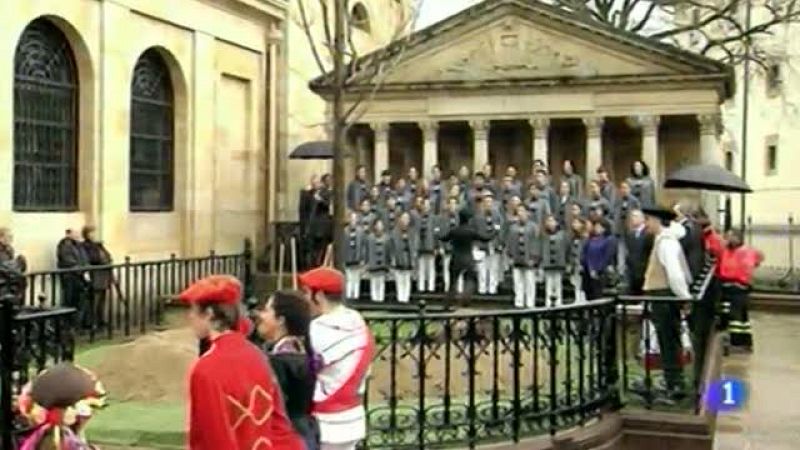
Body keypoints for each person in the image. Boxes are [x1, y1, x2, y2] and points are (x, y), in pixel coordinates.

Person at [180, 275, 304, 450]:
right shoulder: (257, 355)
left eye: (193, 310)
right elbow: (278, 424)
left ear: (209, 314)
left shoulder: (206, 368)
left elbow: (214, 438)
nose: (190, 316)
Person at [298, 267, 374, 450]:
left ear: (320, 295)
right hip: (354, 417)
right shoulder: (357, 321)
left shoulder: (317, 328)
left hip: (326, 419)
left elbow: (304, 370)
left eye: (307, 293)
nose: (304, 299)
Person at [255, 290, 318, 450]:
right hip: (304, 432)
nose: (260, 314)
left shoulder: (280, 361)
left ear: (281, 320)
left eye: (267, 310)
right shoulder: (301, 351)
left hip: (287, 438)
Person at [641, 207, 693, 400]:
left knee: (668, 340)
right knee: (668, 340)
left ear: (657, 220)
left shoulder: (666, 243)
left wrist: (683, 297)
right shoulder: (663, 240)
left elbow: (676, 274)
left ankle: (675, 385)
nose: (646, 224)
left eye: (648, 220)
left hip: (665, 297)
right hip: (663, 296)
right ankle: (673, 380)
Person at [704, 228, 763, 351]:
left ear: (738, 238)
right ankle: (741, 341)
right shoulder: (727, 250)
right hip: (728, 285)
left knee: (737, 317)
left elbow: (750, 264)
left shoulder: (744, 252)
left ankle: (738, 343)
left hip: (738, 286)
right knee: (736, 316)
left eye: (730, 237)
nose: (727, 240)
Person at [440, 209, 492, 302]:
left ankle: (448, 302)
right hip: (468, 259)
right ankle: (466, 297)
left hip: (455, 258)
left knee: (452, 282)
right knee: (470, 279)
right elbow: (485, 238)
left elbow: (444, 238)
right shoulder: (471, 231)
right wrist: (495, 231)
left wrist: (436, 232)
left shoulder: (454, 231)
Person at [472, 193, 504, 295]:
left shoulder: (498, 216)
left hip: (494, 246)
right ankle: (482, 288)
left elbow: (501, 231)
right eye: (486, 202)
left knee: (493, 268)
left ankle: (492, 288)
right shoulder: (477, 217)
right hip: (481, 246)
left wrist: (500, 244)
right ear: (483, 204)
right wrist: (475, 244)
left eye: (490, 202)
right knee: (482, 269)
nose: (488, 204)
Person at [507, 206, 539, 308]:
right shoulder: (512, 228)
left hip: (529, 258)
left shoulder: (533, 227)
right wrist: (510, 256)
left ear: (527, 213)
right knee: (517, 282)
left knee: (529, 282)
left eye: (523, 211)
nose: (521, 214)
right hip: (517, 258)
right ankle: (519, 302)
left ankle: (530, 303)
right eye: (519, 212)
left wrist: (534, 258)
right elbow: (510, 243)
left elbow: (536, 242)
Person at [81, 226, 113, 329]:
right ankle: (92, 322)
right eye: (91, 233)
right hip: (95, 275)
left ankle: (101, 320)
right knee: (94, 300)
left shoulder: (99, 245)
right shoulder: (85, 246)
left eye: (94, 233)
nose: (93, 235)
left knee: (102, 300)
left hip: (103, 275)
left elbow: (108, 256)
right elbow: (92, 258)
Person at [57, 229, 89, 326]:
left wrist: (85, 268)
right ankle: (68, 325)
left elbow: (84, 259)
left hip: (79, 277)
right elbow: (69, 262)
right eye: (75, 233)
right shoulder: (65, 245)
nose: (77, 235)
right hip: (70, 277)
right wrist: (81, 270)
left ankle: (76, 324)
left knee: (80, 301)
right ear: (68, 234)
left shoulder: (78, 245)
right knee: (69, 301)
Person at [581, 219, 617, 301]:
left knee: (599, 294)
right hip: (589, 270)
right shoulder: (591, 240)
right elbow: (585, 253)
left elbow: (607, 256)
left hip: (601, 272)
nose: (596, 228)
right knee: (589, 294)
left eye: (599, 227)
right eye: (596, 226)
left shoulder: (609, 239)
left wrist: (598, 269)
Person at [613, 181, 641, 277]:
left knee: (630, 251)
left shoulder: (634, 201)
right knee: (620, 251)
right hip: (620, 229)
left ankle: (630, 270)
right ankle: (621, 271)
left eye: (626, 188)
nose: (624, 190)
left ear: (629, 189)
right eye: (622, 188)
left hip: (630, 230)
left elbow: (638, 214)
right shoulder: (618, 201)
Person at [540, 215, 567, 308]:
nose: (550, 223)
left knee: (558, 283)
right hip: (547, 263)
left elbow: (566, 248)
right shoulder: (543, 235)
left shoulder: (562, 234)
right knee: (549, 284)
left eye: (552, 221)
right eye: (548, 221)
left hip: (559, 263)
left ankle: (559, 303)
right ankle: (548, 303)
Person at [625, 209, 654, 295]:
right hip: (632, 272)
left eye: (636, 216)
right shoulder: (630, 234)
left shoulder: (649, 234)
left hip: (644, 271)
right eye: (632, 216)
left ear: (642, 219)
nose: (633, 219)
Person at [437, 197, 462, 293]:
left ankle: (459, 288)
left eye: (454, 204)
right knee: (446, 268)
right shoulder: (442, 218)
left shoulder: (460, 218)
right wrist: (441, 246)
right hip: (447, 247)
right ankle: (448, 287)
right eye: (450, 204)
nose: (452, 206)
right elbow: (441, 234)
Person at [391, 212, 417, 303]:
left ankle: (406, 298)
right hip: (399, 258)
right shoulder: (394, 232)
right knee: (399, 280)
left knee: (407, 279)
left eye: (407, 219)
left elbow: (414, 246)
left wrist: (413, 259)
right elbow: (392, 247)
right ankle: (400, 298)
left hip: (408, 258)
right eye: (403, 218)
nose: (405, 221)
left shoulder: (412, 232)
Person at [365, 219, 390, 302]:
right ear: (374, 226)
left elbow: (388, 252)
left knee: (381, 282)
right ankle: (374, 299)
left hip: (383, 264)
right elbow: (367, 251)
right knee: (374, 282)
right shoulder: (370, 237)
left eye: (381, 225)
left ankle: (381, 299)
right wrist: (367, 262)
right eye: (378, 225)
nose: (379, 227)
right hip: (373, 264)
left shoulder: (386, 238)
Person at [342, 212, 365, 300]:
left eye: (355, 219)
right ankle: (348, 296)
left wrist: (363, 258)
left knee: (356, 279)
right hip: (347, 258)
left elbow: (363, 246)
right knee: (349, 279)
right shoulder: (344, 231)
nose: (353, 221)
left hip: (357, 258)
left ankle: (356, 296)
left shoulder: (361, 231)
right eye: (351, 219)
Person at [416, 198, 437, 293]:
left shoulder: (434, 218)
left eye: (428, 205)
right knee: (421, 268)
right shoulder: (417, 218)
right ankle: (421, 287)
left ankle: (431, 287)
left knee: (431, 268)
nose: (426, 207)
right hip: (420, 246)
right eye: (425, 205)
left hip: (431, 245)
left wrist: (436, 246)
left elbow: (437, 234)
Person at [567, 217, 588, 304]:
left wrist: (582, 263)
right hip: (574, 263)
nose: (574, 225)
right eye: (574, 223)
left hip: (582, 264)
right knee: (575, 282)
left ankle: (583, 299)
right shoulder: (572, 238)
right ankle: (577, 298)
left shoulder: (585, 238)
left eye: (577, 223)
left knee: (583, 283)